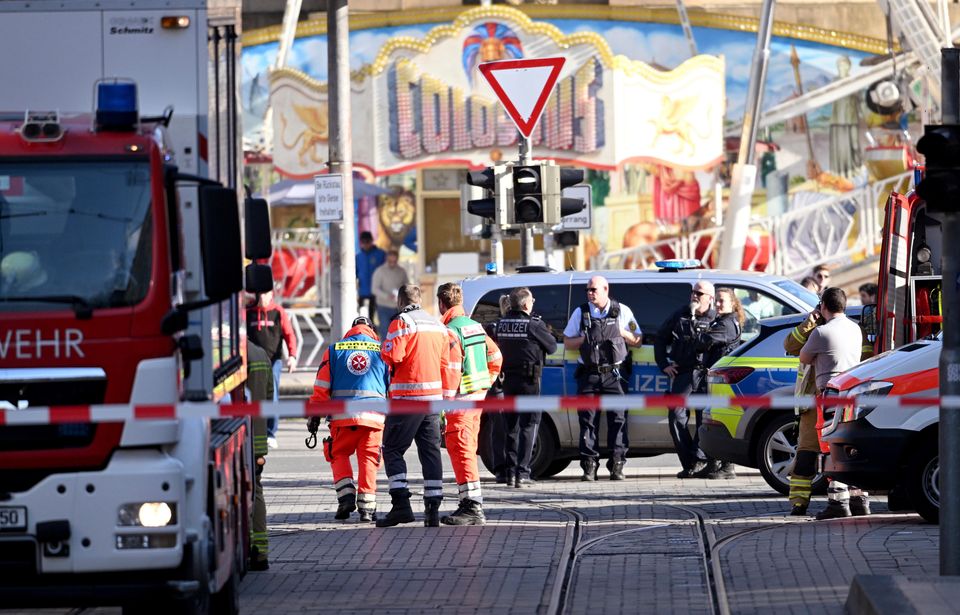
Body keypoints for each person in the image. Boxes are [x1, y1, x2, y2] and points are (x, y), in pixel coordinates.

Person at [377, 284, 456, 528]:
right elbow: (446, 361)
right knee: (430, 452)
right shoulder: (438, 325)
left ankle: (401, 505)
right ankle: (432, 509)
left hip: (407, 398)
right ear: (420, 300)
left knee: (392, 449)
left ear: (401, 301)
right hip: (432, 399)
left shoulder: (401, 323)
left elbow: (392, 356)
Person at [787, 287, 866, 518]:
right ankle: (858, 500)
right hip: (849, 398)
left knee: (810, 453)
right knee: (845, 449)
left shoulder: (820, 332)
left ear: (822, 306)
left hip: (820, 401)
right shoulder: (855, 329)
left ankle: (803, 504)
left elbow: (795, 351)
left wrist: (809, 323)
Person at [309, 316, 388, 523]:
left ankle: (345, 498)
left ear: (351, 330)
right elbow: (392, 384)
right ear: (371, 330)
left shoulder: (334, 350)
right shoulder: (382, 349)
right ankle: (367, 509)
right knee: (369, 459)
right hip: (373, 418)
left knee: (339, 453)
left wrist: (315, 416)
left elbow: (322, 387)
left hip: (342, 417)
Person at [563, 276, 641, 481]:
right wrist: (586, 338)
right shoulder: (581, 312)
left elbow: (638, 340)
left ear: (606, 289)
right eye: (588, 290)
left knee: (618, 420)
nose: (590, 293)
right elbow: (567, 342)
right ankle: (589, 466)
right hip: (589, 374)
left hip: (615, 375)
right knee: (588, 421)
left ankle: (617, 465)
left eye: (594, 289)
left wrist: (621, 332)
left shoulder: (622, 311)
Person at [437, 283, 502, 525]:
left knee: (462, 451)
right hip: (476, 398)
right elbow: (496, 357)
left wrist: (443, 403)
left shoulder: (450, 331)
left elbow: (452, 371)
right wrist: (485, 384)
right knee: (467, 450)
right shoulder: (475, 326)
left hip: (460, 401)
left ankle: (473, 507)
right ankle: (469, 503)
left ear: (442, 304)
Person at [495, 287, 558, 487]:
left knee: (511, 427)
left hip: (508, 381)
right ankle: (522, 473)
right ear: (525, 304)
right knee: (529, 426)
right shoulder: (534, 325)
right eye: (532, 301)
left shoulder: (500, 324)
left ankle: (508, 472)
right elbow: (552, 346)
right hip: (529, 381)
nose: (533, 303)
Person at [655, 280, 717, 478]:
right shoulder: (680, 314)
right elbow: (660, 338)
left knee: (703, 419)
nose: (695, 296)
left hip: (706, 374)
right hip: (684, 373)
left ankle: (699, 459)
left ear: (710, 298)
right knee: (676, 415)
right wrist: (663, 363)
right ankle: (688, 460)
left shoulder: (716, 318)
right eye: (693, 292)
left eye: (699, 293)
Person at [691, 287, 744, 479]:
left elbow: (702, 342)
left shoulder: (727, 324)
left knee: (719, 422)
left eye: (722, 301)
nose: (718, 304)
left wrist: (698, 335)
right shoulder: (722, 321)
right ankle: (713, 464)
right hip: (716, 380)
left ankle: (727, 467)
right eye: (718, 300)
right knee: (711, 422)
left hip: (721, 383)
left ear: (733, 304)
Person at [246, 288, 298, 449]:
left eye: (265, 293)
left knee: (272, 394)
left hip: (273, 360)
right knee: (251, 395)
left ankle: (270, 433)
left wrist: (292, 356)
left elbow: (289, 334)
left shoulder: (278, 312)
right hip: (253, 361)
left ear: (271, 295)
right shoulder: (248, 312)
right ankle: (253, 430)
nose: (262, 296)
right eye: (259, 293)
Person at [246, 341, 273, 571]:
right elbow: (269, 395)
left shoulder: (226, 354)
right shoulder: (261, 354)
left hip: (238, 436)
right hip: (258, 440)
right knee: (255, 491)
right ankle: (260, 551)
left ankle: (246, 547)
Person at [484, 294, 512, 484]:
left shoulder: (492, 328)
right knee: (512, 427)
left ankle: (502, 469)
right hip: (510, 382)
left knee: (499, 428)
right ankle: (511, 468)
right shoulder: (494, 329)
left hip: (496, 383)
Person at [371, 249, 409, 339]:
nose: (392, 263)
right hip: (383, 306)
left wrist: (401, 294)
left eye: (394, 261)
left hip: (397, 307)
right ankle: (385, 351)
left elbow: (406, 285)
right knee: (384, 331)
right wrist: (387, 296)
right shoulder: (379, 271)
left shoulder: (401, 271)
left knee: (399, 332)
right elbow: (374, 289)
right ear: (386, 259)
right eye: (390, 261)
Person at [356, 230, 385, 324]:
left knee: (377, 315)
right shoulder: (358, 257)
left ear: (371, 241)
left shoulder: (380, 254)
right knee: (362, 315)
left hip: (377, 291)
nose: (365, 244)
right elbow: (355, 273)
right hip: (363, 291)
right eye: (363, 242)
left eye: (367, 242)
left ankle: (376, 333)